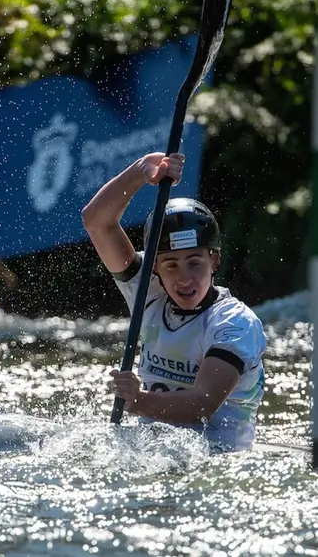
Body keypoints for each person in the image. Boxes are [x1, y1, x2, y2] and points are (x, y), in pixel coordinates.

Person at [81, 152, 266, 452]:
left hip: (215, 463)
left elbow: (201, 404)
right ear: (154, 266)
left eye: (194, 263)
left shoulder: (235, 323)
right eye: (171, 265)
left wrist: (137, 400)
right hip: (153, 453)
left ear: (214, 260)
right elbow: (97, 223)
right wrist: (140, 173)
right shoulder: (147, 292)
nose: (184, 279)